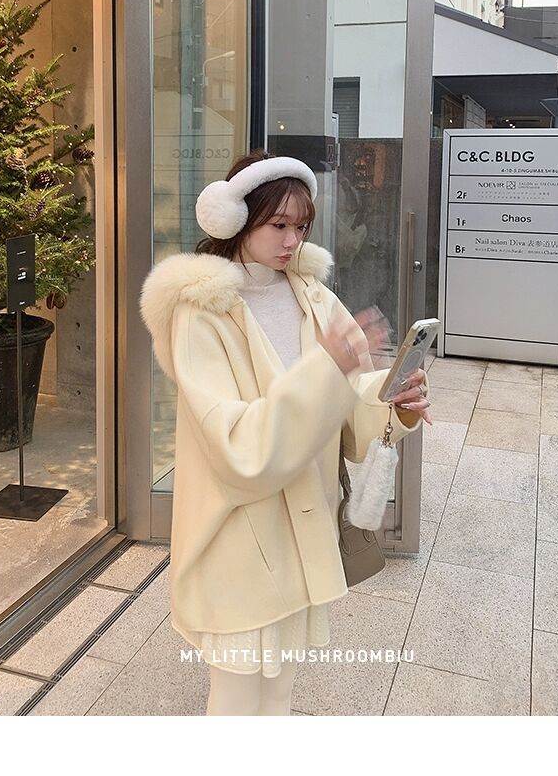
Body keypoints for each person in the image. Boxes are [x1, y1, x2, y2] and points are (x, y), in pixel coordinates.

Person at [139, 149, 432, 717]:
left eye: (301, 226)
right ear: (235, 219)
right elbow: (237, 448)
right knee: (236, 697)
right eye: (278, 224)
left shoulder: (312, 297)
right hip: (238, 538)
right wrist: (327, 371)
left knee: (279, 693)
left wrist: (394, 399)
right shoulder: (201, 314)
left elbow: (346, 410)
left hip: (302, 529)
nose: (292, 240)